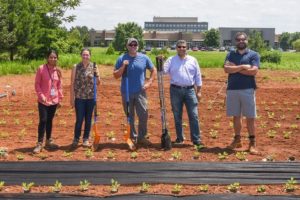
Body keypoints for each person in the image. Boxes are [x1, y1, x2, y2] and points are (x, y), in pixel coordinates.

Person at [113, 38, 157, 146]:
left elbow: (153, 70)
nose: (133, 46)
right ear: (127, 46)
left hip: (140, 92)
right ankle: (132, 137)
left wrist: (149, 82)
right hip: (126, 92)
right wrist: (123, 66)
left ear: (138, 46)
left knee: (143, 115)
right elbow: (115, 75)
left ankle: (142, 137)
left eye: (135, 44)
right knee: (130, 116)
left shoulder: (144, 58)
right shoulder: (121, 58)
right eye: (131, 44)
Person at [223, 32, 260, 154]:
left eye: (243, 39)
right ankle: (237, 140)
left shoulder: (254, 54)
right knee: (236, 116)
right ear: (235, 41)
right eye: (238, 39)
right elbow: (226, 69)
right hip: (232, 89)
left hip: (247, 89)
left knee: (250, 117)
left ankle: (252, 142)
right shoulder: (230, 54)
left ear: (247, 40)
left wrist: (235, 69)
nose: (241, 41)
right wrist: (243, 66)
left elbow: (253, 72)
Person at [163, 40, 203, 147]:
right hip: (175, 90)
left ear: (187, 48)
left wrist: (198, 92)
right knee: (177, 115)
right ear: (176, 48)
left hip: (190, 90)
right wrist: (161, 62)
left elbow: (198, 76)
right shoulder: (171, 60)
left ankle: (196, 139)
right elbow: (163, 72)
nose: (182, 48)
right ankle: (179, 138)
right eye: (179, 47)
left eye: (184, 47)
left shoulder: (193, 60)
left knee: (194, 115)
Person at [34, 50, 63, 153]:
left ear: (57, 58)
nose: (53, 59)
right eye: (51, 57)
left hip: (53, 100)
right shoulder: (41, 69)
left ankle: (48, 141)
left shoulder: (58, 71)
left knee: (50, 120)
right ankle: (39, 143)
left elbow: (59, 86)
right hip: (43, 101)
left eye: (55, 57)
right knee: (43, 120)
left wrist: (60, 98)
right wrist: (41, 96)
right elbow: (37, 84)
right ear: (47, 58)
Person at [70, 48, 100, 148]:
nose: (85, 56)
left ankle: (86, 139)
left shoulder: (94, 66)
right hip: (79, 97)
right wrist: (71, 98)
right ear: (81, 55)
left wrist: (97, 74)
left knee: (88, 119)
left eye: (87, 55)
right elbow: (72, 83)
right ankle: (76, 138)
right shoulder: (76, 67)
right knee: (79, 119)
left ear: (90, 56)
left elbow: (98, 83)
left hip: (91, 98)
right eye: (84, 54)